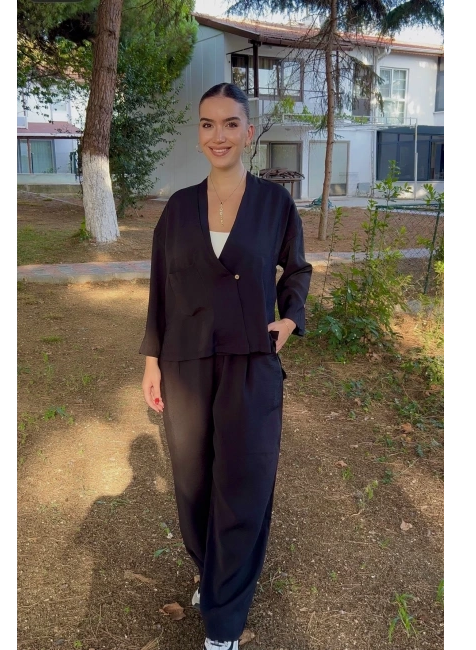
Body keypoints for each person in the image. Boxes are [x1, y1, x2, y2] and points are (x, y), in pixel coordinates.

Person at [140, 82, 312, 650]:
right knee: (193, 484)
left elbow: (297, 269)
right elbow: (161, 289)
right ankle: (210, 572)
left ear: (249, 132)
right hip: (185, 362)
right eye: (208, 124)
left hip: (250, 364)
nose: (219, 135)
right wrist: (151, 361)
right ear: (199, 133)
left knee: (244, 483)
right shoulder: (177, 209)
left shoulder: (275, 204)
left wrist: (290, 319)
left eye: (231, 124)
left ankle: (224, 622)